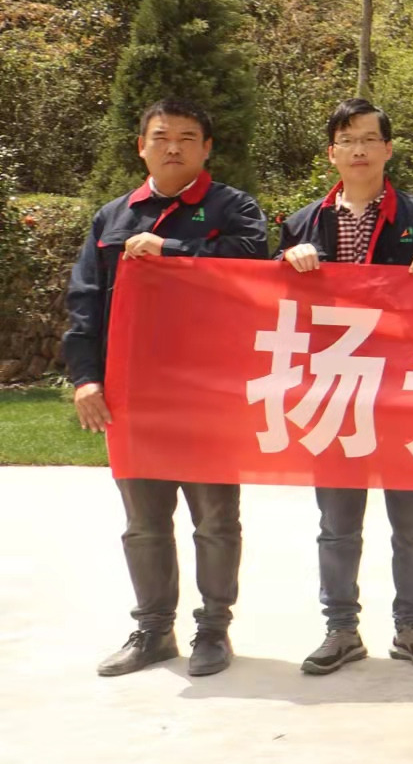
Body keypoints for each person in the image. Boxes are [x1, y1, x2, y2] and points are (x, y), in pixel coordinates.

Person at [67, 98, 269, 678]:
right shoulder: (113, 216)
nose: (173, 147)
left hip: (210, 391)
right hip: (133, 393)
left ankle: (213, 630)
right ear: (141, 146)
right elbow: (85, 302)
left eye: (186, 137)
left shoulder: (232, 208)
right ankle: (153, 630)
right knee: (144, 521)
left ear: (207, 148)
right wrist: (85, 378)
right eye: (160, 137)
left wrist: (174, 251)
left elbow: (254, 265)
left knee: (215, 519)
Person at [277, 98, 413, 676]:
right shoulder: (302, 225)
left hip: (405, 393)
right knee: (337, 525)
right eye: (346, 140)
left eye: (368, 139)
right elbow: (270, 303)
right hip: (333, 391)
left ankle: (412, 627)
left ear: (388, 149)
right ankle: (340, 630)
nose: (358, 150)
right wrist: (285, 261)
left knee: (412, 523)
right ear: (331, 153)